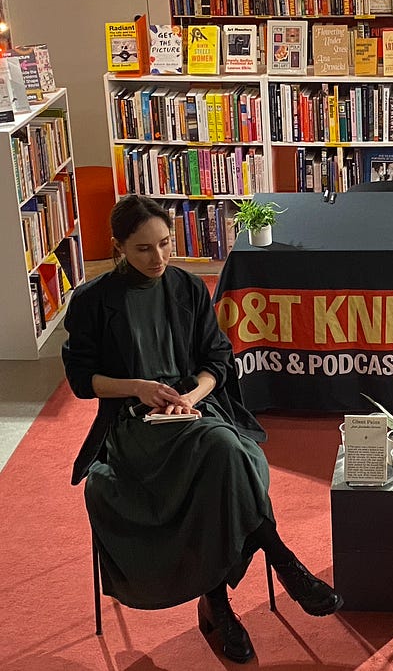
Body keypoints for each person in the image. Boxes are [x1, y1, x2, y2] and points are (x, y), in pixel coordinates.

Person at [62, 195, 342, 664]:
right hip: (134, 428)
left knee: (223, 452)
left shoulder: (188, 288)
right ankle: (276, 564)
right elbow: (81, 381)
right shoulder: (93, 301)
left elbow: (218, 359)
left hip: (192, 413)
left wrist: (190, 398)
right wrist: (138, 387)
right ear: (118, 248)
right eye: (143, 249)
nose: (159, 259)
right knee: (227, 461)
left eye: (166, 244)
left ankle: (220, 601)